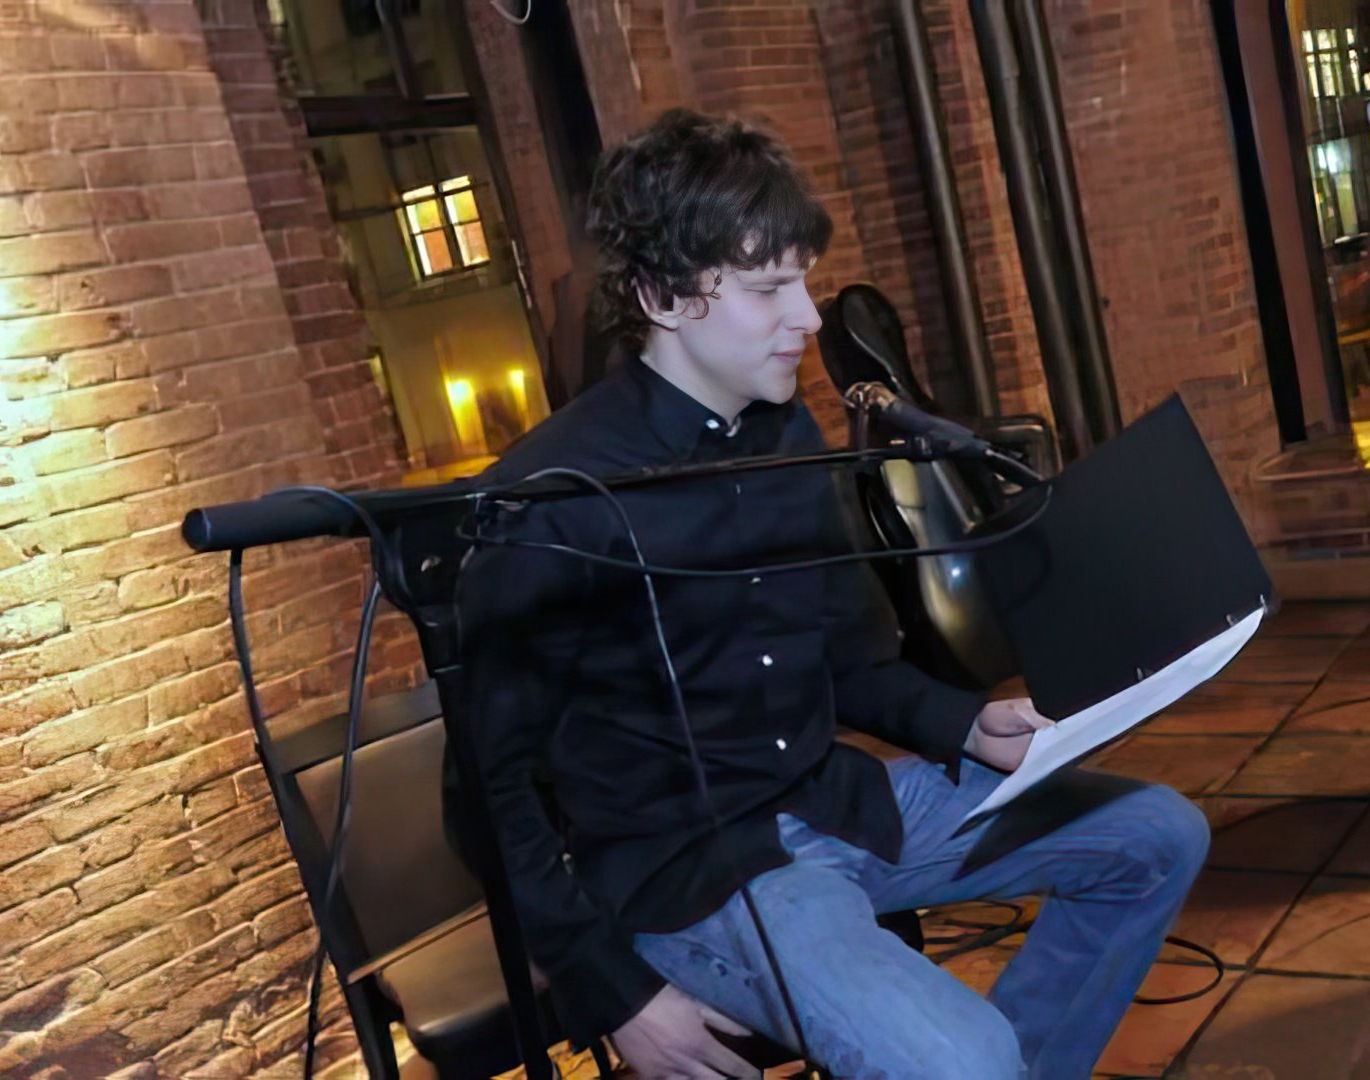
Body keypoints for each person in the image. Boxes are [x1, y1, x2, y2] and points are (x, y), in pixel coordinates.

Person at [456, 108, 1209, 1080]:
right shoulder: (554, 500)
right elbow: (482, 794)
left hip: (834, 800)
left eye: (802, 280)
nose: (810, 318)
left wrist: (966, 726)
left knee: (1156, 835)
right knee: (968, 1064)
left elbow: (851, 657)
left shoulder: (786, 432)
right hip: (696, 878)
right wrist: (617, 994)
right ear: (664, 296)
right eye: (771, 289)